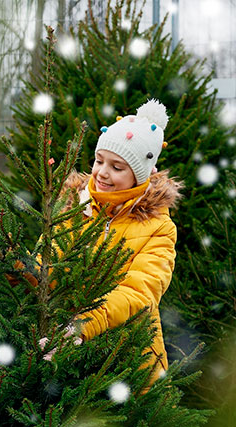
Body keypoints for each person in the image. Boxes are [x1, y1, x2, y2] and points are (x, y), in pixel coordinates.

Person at [63, 99, 182, 386]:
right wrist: (10, 258)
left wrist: (84, 324)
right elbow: (48, 268)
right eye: (99, 160)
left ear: (139, 176)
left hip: (130, 361)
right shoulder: (72, 209)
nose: (102, 173)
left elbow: (140, 292)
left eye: (117, 167)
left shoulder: (159, 228)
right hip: (66, 355)